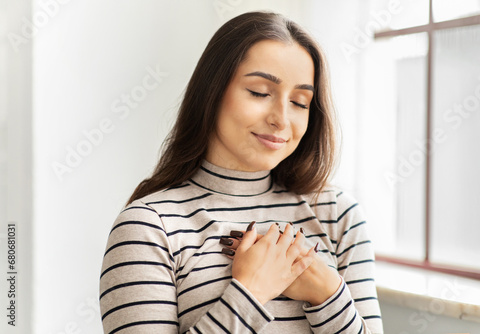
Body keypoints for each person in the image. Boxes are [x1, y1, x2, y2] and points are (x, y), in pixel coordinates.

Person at [99, 10, 383, 334]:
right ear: (212, 92)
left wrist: (327, 292)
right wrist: (251, 293)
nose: (282, 119)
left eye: (300, 102)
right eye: (260, 93)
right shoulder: (149, 227)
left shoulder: (338, 215)